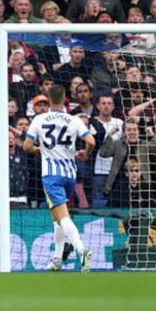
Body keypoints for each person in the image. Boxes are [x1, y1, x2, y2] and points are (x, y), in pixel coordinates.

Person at [23, 84, 96, 272]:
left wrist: (37, 150)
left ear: (48, 98)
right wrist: (86, 153)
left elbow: (26, 146)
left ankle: (82, 250)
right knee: (56, 218)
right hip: (70, 175)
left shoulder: (39, 119)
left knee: (63, 217)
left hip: (51, 175)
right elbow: (91, 141)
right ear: (65, 98)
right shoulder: (74, 120)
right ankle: (57, 259)